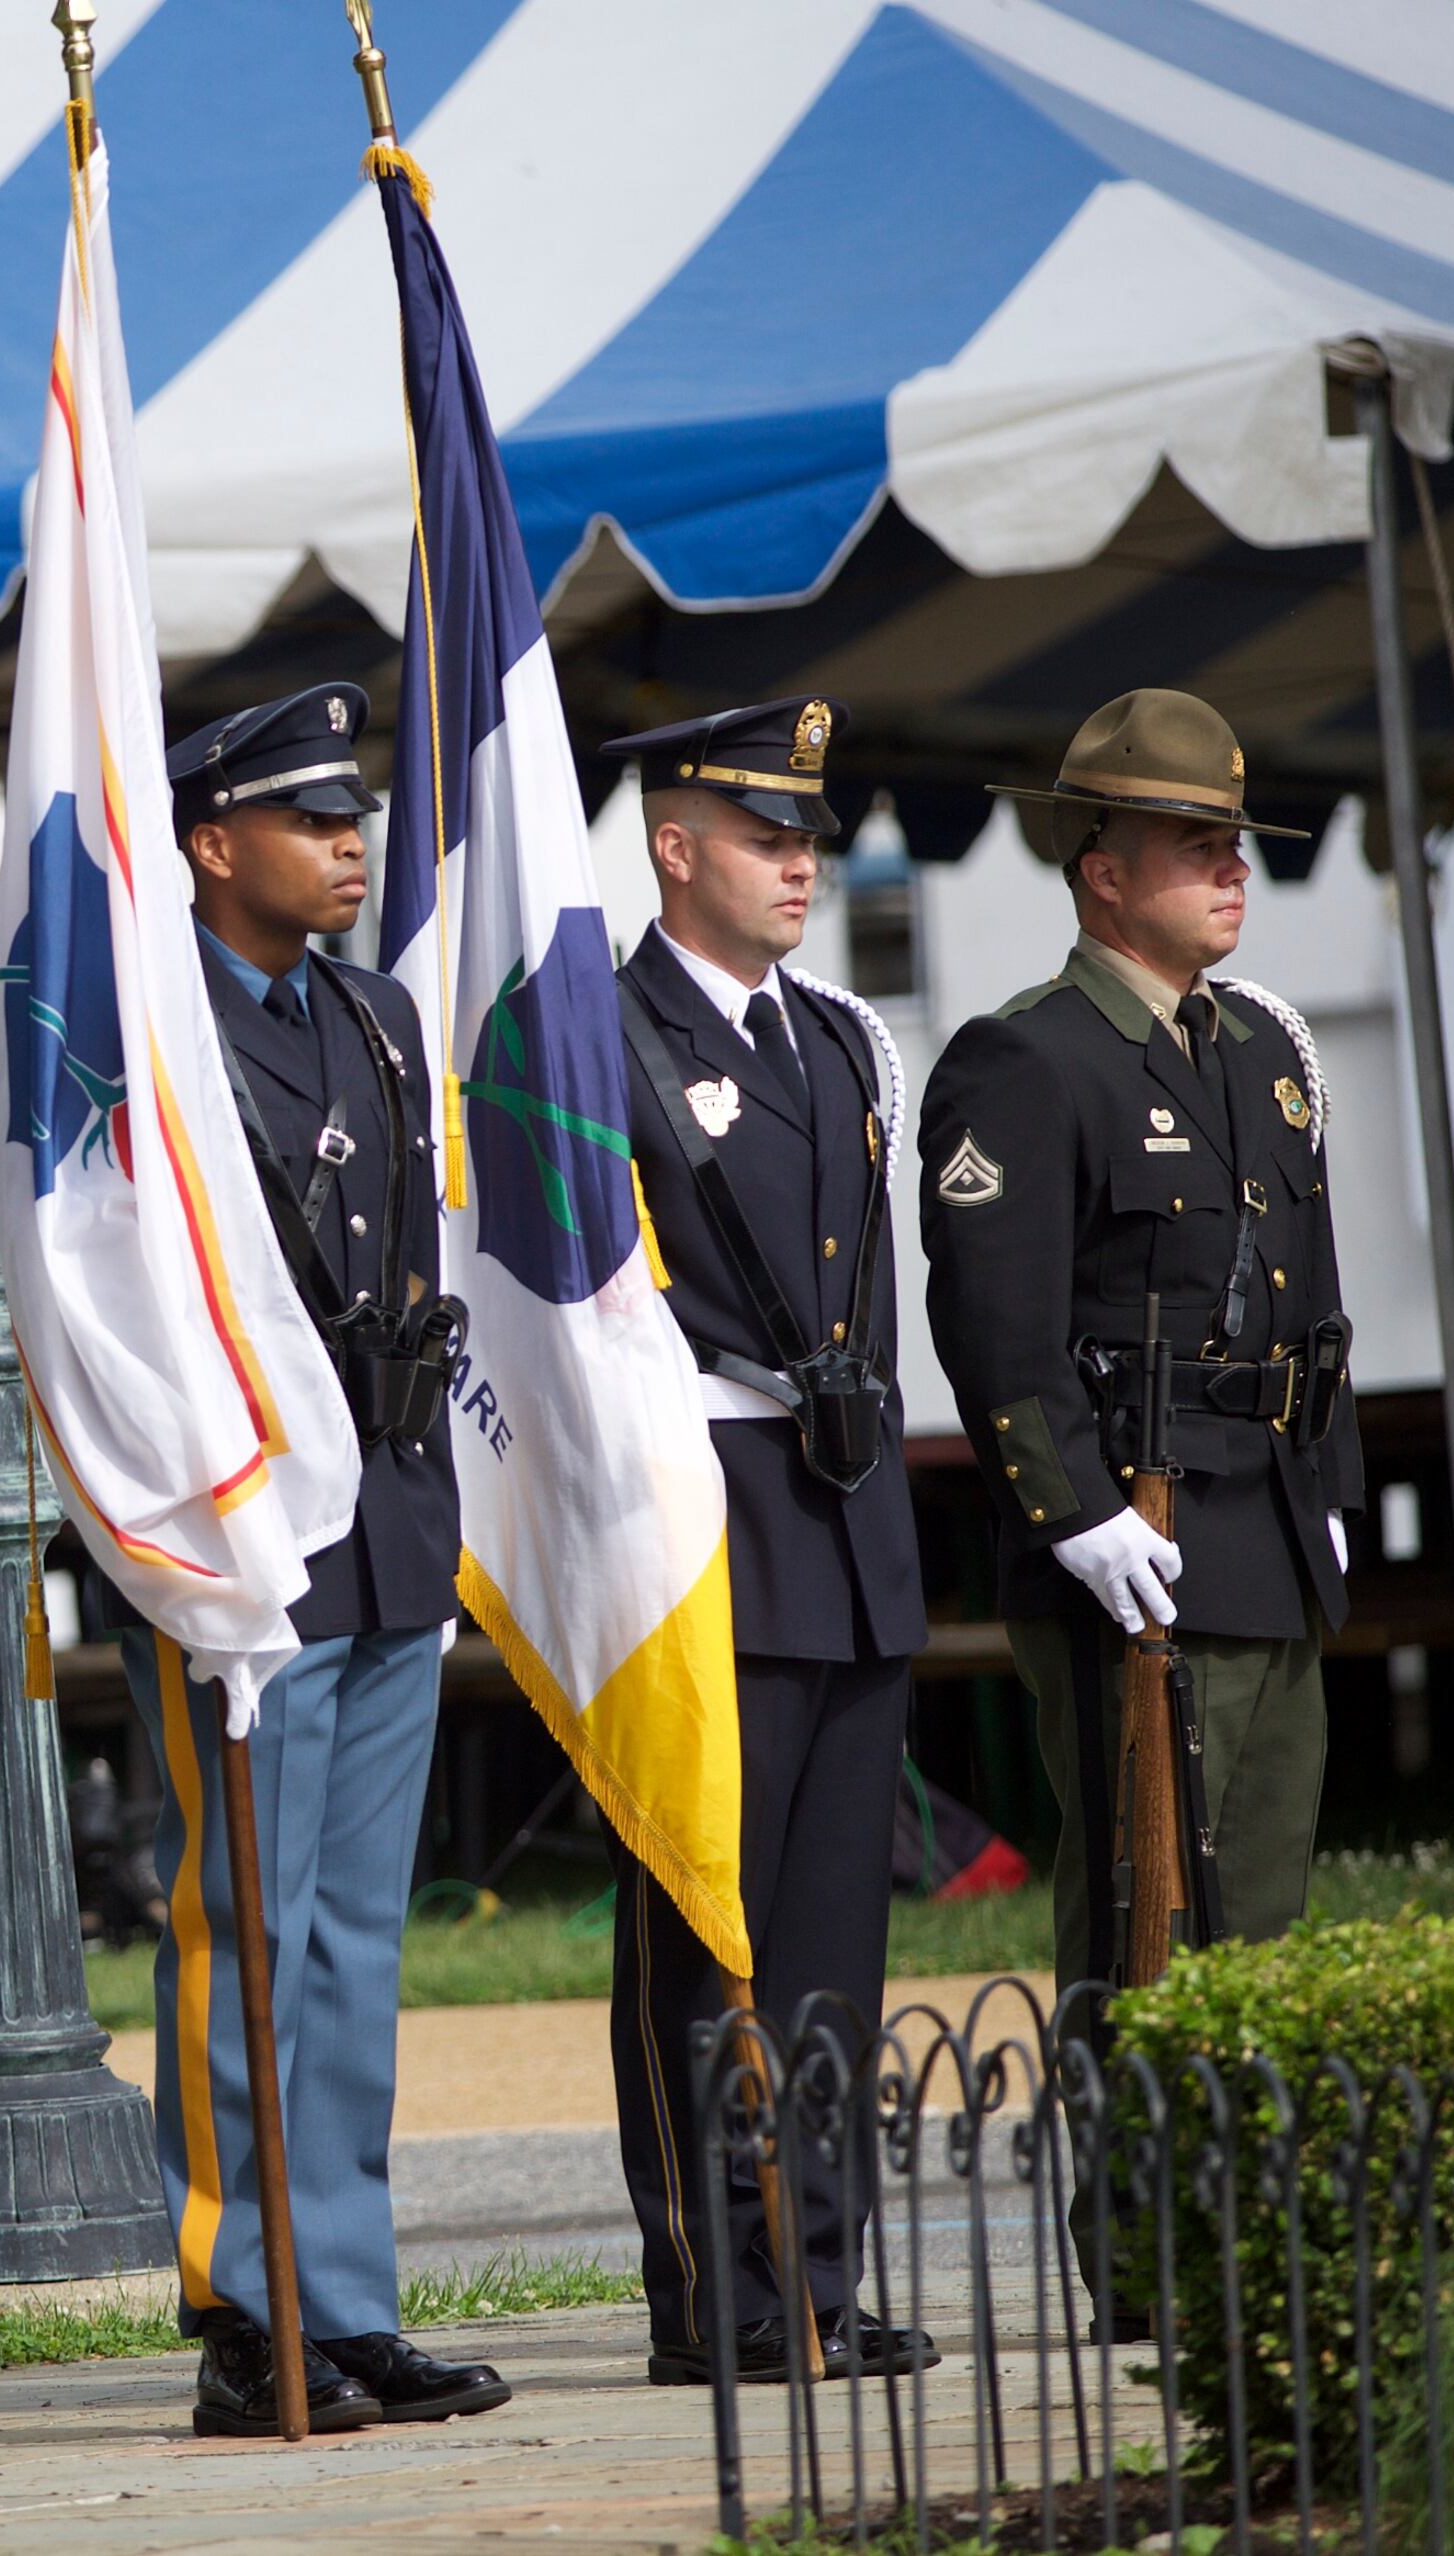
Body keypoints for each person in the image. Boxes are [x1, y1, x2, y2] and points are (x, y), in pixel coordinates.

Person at [131, 682, 507, 2437]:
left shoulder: (372, 1016)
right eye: (306, 816)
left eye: (352, 813)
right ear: (213, 843)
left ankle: (345, 2297)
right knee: (243, 1925)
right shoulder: (156, 1026)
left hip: (388, 1510)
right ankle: (237, 2301)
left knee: (356, 1928)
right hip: (249, 1530)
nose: (349, 841)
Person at [920, 689, 1361, 2009]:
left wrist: (1325, 1488)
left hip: (1266, 1527)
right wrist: (1075, 1515)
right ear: (1103, 874)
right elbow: (995, 1324)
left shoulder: (1260, 1048)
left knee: (1268, 1922)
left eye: (1233, 837)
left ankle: (1241, 2209)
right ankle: (1137, 2220)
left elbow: (1314, 1302)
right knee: (1149, 1918)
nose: (1235, 866)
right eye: (1193, 843)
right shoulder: (1030, 1060)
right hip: (1140, 1542)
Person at [598, 699, 935, 2388]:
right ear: (677, 848)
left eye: (808, 832)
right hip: (706, 1529)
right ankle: (713, 2292)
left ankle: (815, 2272)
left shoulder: (843, 1039)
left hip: (846, 1520)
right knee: (699, 1941)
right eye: (764, 833)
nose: (801, 859)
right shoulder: (607, 1035)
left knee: (829, 1949)